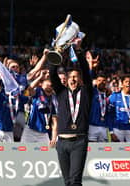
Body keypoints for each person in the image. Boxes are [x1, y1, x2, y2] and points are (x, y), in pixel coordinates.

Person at [49, 40, 92, 186]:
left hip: (79, 141)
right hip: (62, 142)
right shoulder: (61, 92)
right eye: (70, 77)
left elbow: (86, 72)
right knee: (67, 181)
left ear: (79, 79)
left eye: (75, 77)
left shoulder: (86, 92)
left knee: (75, 181)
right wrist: (57, 54)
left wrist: (79, 51)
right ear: (66, 80)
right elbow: (52, 74)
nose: (73, 79)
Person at [21, 70, 58, 145]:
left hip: (43, 133)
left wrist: (54, 138)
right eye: (47, 82)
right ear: (41, 84)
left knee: (47, 155)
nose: (49, 84)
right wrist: (40, 77)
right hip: (30, 131)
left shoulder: (54, 100)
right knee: (23, 154)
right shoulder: (37, 92)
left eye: (51, 83)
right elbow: (27, 91)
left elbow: (55, 121)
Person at [108, 74, 130, 142]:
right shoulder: (114, 96)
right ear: (122, 83)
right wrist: (111, 132)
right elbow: (110, 115)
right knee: (116, 151)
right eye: (126, 82)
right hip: (117, 129)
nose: (128, 84)